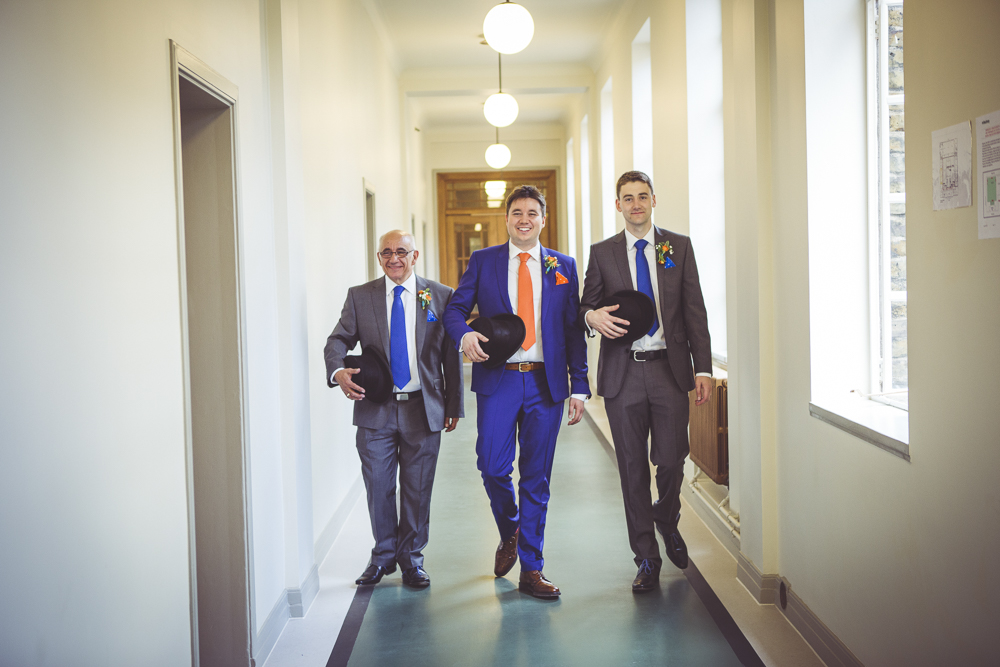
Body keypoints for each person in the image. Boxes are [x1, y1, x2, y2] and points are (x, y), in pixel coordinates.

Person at [443, 185, 589, 599]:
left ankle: (532, 567)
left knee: (536, 477)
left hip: (546, 382)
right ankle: (511, 530)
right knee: (491, 465)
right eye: (517, 212)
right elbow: (455, 309)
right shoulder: (484, 261)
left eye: (532, 212)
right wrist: (465, 335)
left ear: (543, 219)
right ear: (506, 218)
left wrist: (579, 385)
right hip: (499, 377)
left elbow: (572, 330)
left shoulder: (563, 265)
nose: (524, 219)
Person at [579, 171, 713, 593]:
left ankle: (666, 517)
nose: (635, 204)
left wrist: (704, 368)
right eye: (627, 198)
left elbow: (695, 310)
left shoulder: (678, 246)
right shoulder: (602, 253)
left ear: (654, 200)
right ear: (617, 205)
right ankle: (646, 558)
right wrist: (591, 316)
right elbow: (586, 303)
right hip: (623, 372)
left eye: (642, 196)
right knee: (633, 468)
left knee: (672, 460)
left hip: (669, 370)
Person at [325, 230, 463, 589]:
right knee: (379, 485)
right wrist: (338, 370)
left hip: (423, 407)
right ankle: (383, 555)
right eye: (386, 252)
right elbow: (338, 339)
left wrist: (453, 405)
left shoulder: (440, 295)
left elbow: (450, 356)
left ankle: (412, 559)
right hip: (376, 409)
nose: (394, 258)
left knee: (418, 489)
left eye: (401, 251)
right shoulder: (361, 297)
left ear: (414, 256)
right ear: (379, 257)